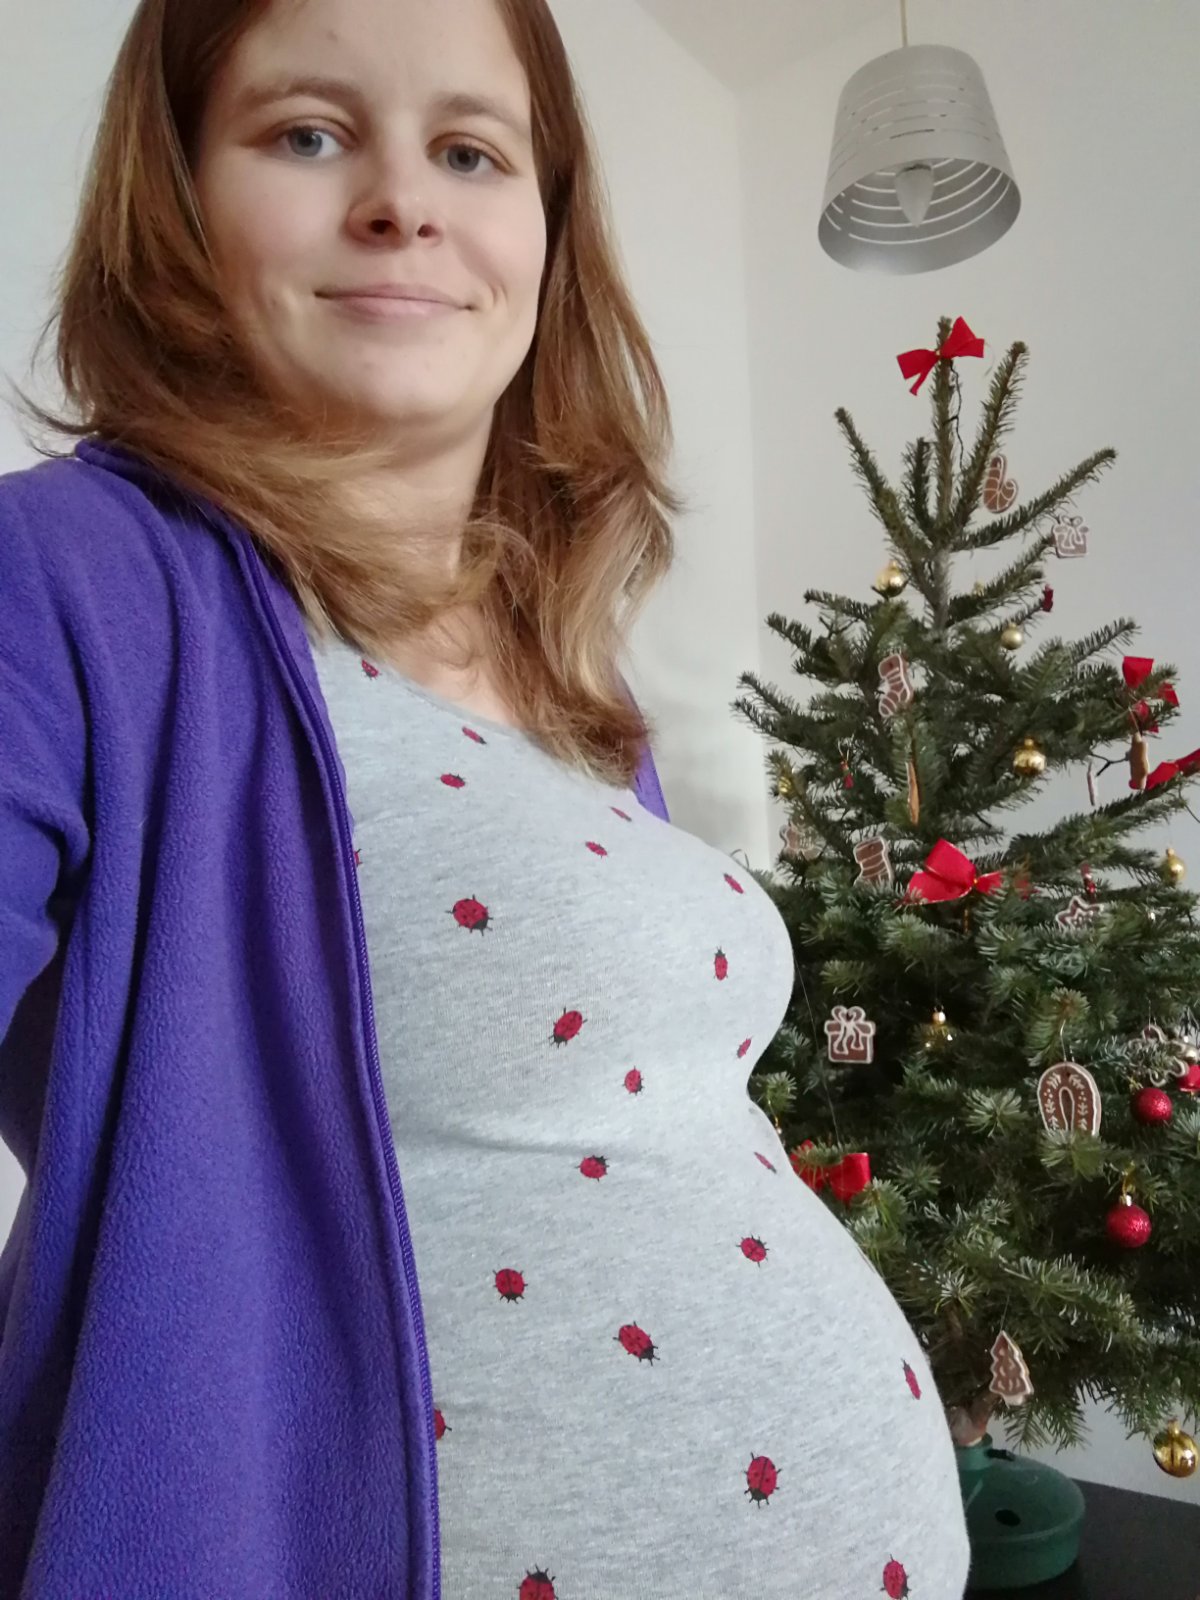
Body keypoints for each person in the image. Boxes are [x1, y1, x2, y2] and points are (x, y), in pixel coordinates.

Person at [0, 0, 971, 1594]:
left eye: (470, 150)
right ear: (173, 197)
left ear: (546, 228)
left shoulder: (569, 677)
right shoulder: (67, 575)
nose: (404, 201)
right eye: (308, 134)